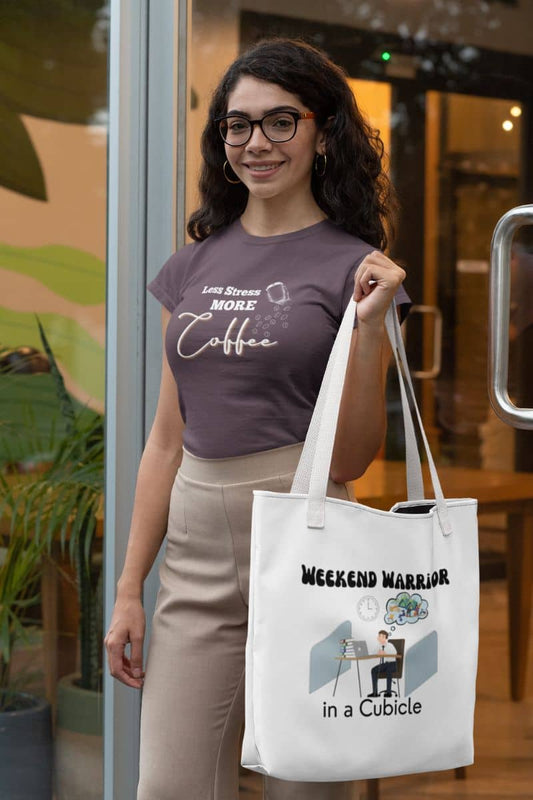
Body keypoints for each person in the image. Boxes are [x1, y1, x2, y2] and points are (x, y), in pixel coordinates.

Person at [104, 37, 412, 800]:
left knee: (305, 786)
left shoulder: (355, 268)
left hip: (306, 541)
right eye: (237, 126)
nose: (256, 144)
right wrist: (128, 588)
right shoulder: (194, 264)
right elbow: (165, 441)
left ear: (322, 132)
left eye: (281, 121)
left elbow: (351, 461)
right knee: (170, 786)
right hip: (196, 555)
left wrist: (369, 326)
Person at [368, 631, 398, 697]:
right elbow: (373, 653)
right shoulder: (379, 645)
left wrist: (385, 653)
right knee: (373, 670)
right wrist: (377, 653)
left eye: (379, 636)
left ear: (384, 637)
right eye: (378, 636)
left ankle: (388, 692)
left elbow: (395, 654)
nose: (378, 637)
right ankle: (375, 693)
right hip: (386, 664)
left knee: (388, 670)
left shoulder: (390, 645)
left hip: (393, 664)